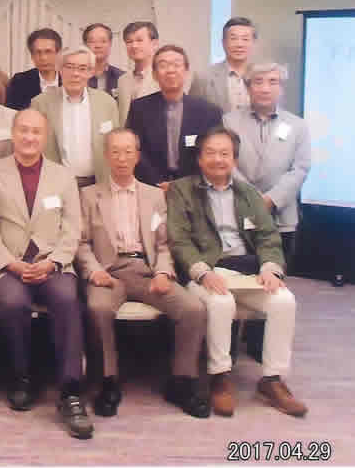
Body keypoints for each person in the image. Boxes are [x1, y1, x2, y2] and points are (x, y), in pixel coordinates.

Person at [167, 126, 307, 418]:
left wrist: (270, 269)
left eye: (225, 154)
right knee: (221, 302)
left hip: (247, 271)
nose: (218, 159)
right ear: (199, 158)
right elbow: (179, 240)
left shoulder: (248, 193)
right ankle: (220, 378)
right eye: (210, 153)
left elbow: (268, 237)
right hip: (207, 271)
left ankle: (272, 380)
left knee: (284, 301)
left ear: (234, 159)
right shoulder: (182, 190)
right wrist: (203, 273)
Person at [76, 128, 209, 419]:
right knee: (98, 308)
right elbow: (81, 243)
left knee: (193, 309)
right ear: (106, 156)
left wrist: (163, 271)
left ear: (137, 156)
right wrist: (94, 271)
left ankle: (182, 382)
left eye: (128, 152)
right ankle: (107, 382)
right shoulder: (88, 195)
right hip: (109, 273)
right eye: (115, 152)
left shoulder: (154, 196)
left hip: (147, 271)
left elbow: (164, 243)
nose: (122, 158)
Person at [0, 109, 92, 439]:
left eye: (36, 132)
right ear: (13, 134)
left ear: (45, 136)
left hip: (52, 263)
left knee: (67, 298)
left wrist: (54, 262)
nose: (29, 137)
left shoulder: (63, 176)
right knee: (13, 302)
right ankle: (21, 377)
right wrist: (9, 262)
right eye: (23, 130)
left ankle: (70, 391)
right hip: (7, 265)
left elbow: (72, 228)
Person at [224, 63, 311, 272]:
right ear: (248, 87)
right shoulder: (229, 121)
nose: (265, 88)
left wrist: (271, 199)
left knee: (274, 275)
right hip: (240, 210)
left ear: (281, 88)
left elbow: (300, 169)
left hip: (281, 215)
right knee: (239, 275)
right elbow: (227, 163)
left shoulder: (297, 126)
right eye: (258, 82)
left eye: (273, 82)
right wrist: (253, 199)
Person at [126, 45, 222, 189]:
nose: (170, 70)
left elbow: (213, 153)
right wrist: (157, 182)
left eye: (176, 65)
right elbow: (135, 149)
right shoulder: (139, 108)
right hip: (151, 187)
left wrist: (183, 185)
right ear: (154, 74)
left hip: (195, 188)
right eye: (163, 65)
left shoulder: (209, 112)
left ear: (186, 72)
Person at [30, 46, 119, 188]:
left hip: (99, 182)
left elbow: (116, 143)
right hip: (56, 183)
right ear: (59, 69)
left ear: (91, 72)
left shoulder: (107, 102)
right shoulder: (41, 103)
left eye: (82, 68)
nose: (75, 73)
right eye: (69, 67)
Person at [190, 17, 258, 113]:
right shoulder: (203, 77)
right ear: (223, 43)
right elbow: (192, 114)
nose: (239, 44)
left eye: (245, 39)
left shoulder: (264, 76)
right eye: (233, 39)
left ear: (254, 43)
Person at [5, 28, 62, 111]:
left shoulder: (68, 81)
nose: (43, 57)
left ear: (58, 53)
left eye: (48, 52)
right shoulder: (19, 82)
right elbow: (11, 114)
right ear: (32, 56)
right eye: (38, 52)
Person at [116, 21, 160, 125]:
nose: (134, 46)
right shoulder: (122, 80)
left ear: (154, 44)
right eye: (129, 42)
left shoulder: (164, 77)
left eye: (139, 40)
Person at [82, 23, 124, 99]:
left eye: (103, 41)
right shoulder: (74, 75)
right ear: (85, 45)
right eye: (92, 41)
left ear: (110, 44)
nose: (98, 45)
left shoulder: (122, 77)